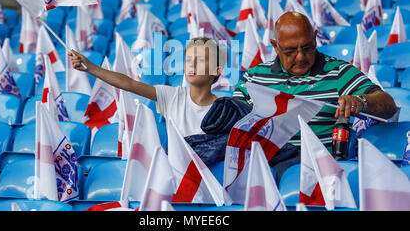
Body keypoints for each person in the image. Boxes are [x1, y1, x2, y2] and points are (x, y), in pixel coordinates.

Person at [233, 11, 398, 181]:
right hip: (263, 167)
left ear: (315, 38)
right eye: (290, 51)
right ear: (275, 46)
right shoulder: (253, 78)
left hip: (321, 170)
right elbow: (232, 124)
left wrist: (360, 101)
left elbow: (388, 105)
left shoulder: (338, 72)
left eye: (307, 48)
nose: (300, 57)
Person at [70, 37, 224, 138]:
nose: (192, 64)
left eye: (201, 60)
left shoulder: (226, 108)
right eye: (188, 60)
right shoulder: (172, 96)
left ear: (217, 70)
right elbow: (129, 83)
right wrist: (90, 67)